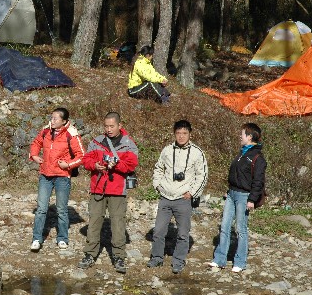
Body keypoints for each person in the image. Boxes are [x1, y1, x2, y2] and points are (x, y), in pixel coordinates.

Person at [77, 112, 138, 274]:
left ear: (120, 126)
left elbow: (131, 165)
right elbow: (86, 160)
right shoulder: (96, 141)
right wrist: (95, 165)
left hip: (117, 190)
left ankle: (119, 257)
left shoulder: (128, 144)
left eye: (112, 126)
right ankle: (89, 254)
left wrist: (115, 164)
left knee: (118, 224)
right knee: (94, 221)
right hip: (97, 188)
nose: (109, 129)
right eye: (106, 126)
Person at [148, 120, 208, 274]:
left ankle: (178, 261)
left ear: (190, 134)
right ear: (174, 133)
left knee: (182, 233)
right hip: (166, 196)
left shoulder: (197, 152)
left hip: (183, 198)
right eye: (178, 133)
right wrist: (157, 185)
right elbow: (158, 168)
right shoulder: (167, 150)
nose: (181, 136)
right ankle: (156, 257)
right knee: (159, 231)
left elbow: (202, 176)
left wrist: (192, 193)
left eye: (184, 133)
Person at [209, 123, 266, 273]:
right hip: (232, 194)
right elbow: (236, 176)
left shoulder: (258, 158)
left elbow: (258, 181)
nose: (240, 136)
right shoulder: (241, 154)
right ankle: (219, 259)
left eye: (242, 134)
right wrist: (229, 190)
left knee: (241, 229)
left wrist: (252, 200)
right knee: (225, 226)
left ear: (249, 136)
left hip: (244, 196)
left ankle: (240, 262)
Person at [29, 107, 84, 252]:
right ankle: (36, 238)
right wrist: (34, 155)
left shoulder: (71, 134)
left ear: (64, 121)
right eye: (51, 117)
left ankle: (62, 238)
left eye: (55, 118)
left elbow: (81, 156)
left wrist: (68, 165)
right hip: (45, 174)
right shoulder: (46, 130)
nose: (52, 120)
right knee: (41, 209)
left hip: (62, 176)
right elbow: (36, 143)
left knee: (61, 210)